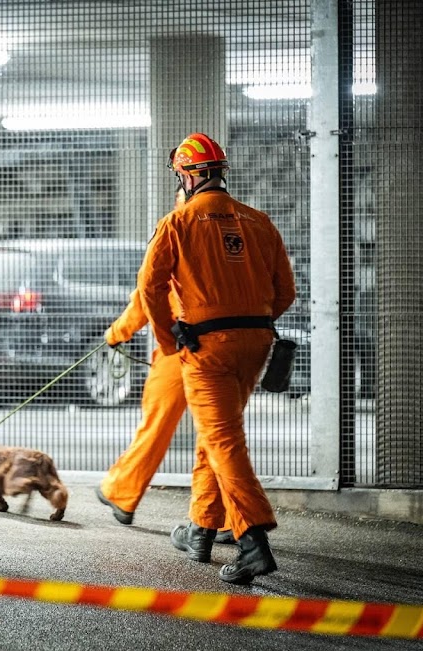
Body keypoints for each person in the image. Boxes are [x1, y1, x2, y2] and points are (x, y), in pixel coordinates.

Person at [139, 132, 296, 585]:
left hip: (206, 348)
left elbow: (150, 288)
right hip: (257, 344)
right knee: (217, 432)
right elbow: (285, 291)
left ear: (187, 175)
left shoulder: (177, 223)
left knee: (223, 440)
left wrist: (170, 340)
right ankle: (202, 530)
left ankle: (253, 542)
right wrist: (250, 321)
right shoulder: (259, 222)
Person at [96, 191, 236, 544]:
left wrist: (116, 334)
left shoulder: (178, 231)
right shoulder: (235, 236)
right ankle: (224, 519)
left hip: (181, 349)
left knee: (156, 423)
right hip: (227, 348)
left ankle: (122, 491)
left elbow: (148, 295)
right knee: (218, 436)